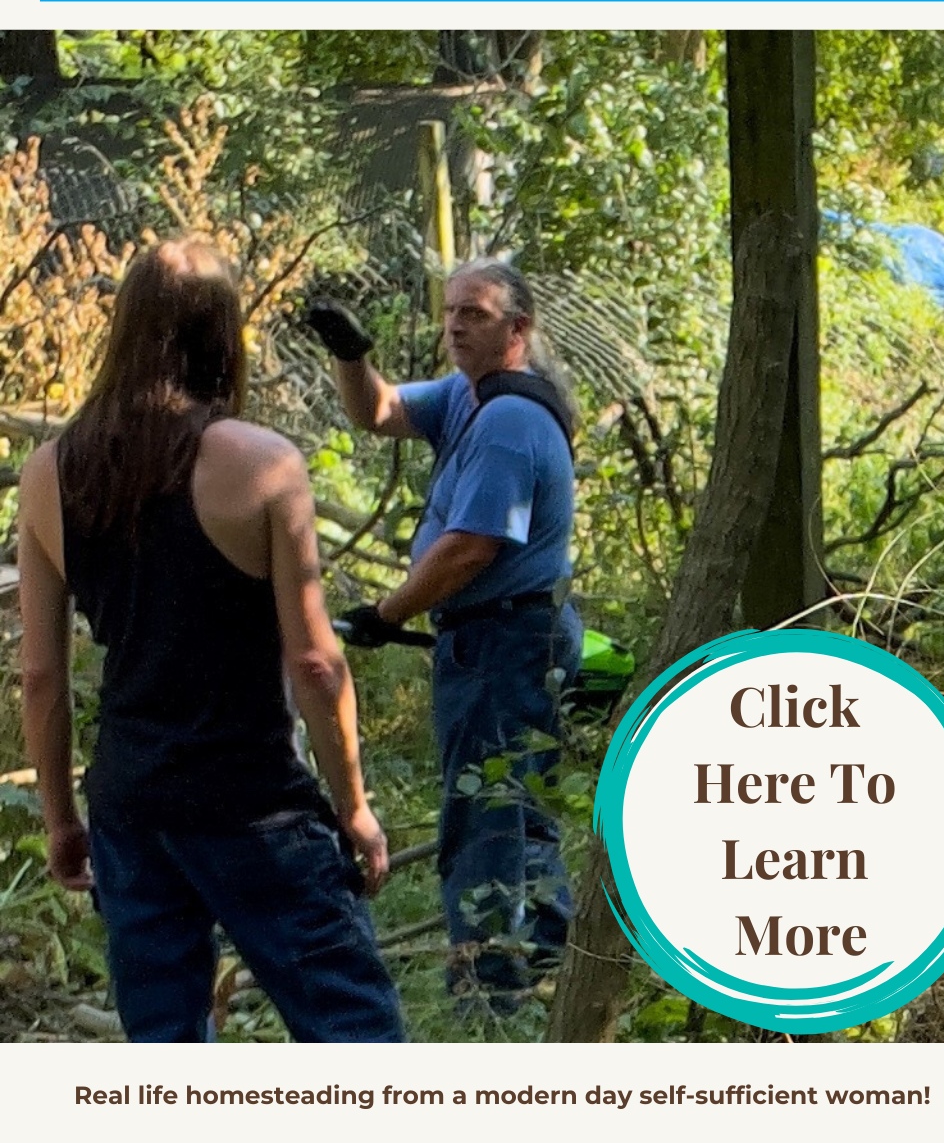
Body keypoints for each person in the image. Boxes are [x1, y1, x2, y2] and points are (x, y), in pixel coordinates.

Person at [18, 238, 404, 1043]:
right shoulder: (263, 464)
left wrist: (61, 818)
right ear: (224, 335)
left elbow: (43, 676)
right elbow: (314, 662)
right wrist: (354, 807)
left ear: (125, 328)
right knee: (353, 1033)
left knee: (164, 1047)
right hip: (254, 801)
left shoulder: (50, 472)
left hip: (132, 804)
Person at [309, 259, 581, 1006]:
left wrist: (386, 613)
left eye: (476, 314)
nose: (456, 324)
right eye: (452, 311)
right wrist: (350, 355)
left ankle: (488, 988)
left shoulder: (510, 422)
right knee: (519, 804)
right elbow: (380, 412)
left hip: (506, 642)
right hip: (503, 637)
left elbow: (471, 547)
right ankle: (556, 951)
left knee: (484, 809)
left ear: (517, 330)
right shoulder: (468, 397)